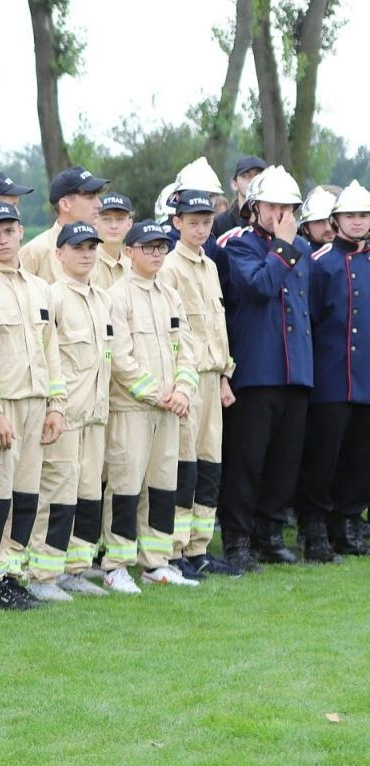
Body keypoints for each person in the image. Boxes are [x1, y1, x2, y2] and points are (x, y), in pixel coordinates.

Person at [0, 202, 66, 608]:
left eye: (10, 231)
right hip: (2, 407)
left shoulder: (39, 288)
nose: (4, 240)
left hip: (36, 404)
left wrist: (57, 404)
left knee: (26, 495)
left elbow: (51, 350)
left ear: (21, 232)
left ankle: (13, 571)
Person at [216, 165, 315, 569]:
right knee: (246, 461)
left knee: (284, 461)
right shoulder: (239, 245)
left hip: (296, 371)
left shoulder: (303, 250)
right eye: (274, 206)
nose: (282, 215)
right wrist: (285, 247)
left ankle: (270, 535)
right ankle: (238, 539)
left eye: (288, 207)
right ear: (255, 207)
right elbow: (258, 287)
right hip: (256, 370)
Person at [99, 221, 200, 592]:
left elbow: (187, 348)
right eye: (148, 247)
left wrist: (184, 390)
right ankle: (116, 565)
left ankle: (156, 562)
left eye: (161, 247)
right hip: (133, 409)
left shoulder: (170, 294)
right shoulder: (115, 297)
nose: (157, 253)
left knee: (162, 487)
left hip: (170, 409)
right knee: (125, 486)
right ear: (129, 251)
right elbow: (120, 359)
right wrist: (158, 393)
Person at [26, 223, 113, 599]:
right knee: (57, 494)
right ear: (59, 254)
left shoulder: (102, 298)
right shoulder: (52, 296)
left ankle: (76, 569)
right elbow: (46, 358)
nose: (87, 254)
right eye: (78, 247)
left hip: (95, 416)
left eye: (92, 247)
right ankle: (43, 574)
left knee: (89, 495)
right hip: (65, 417)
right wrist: (54, 407)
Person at [159, 189, 239, 579]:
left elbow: (216, 325)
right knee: (185, 466)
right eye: (193, 222)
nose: (201, 228)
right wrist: (181, 382)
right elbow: (175, 332)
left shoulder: (209, 265)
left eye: (207, 222)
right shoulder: (170, 267)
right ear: (176, 223)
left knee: (210, 465)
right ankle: (175, 550)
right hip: (188, 380)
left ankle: (199, 547)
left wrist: (225, 374)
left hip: (213, 377)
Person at [299, 181, 370, 559]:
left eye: (363, 215)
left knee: (360, 458)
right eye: (350, 215)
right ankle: (315, 531)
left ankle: (348, 525)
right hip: (330, 378)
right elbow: (307, 320)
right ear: (335, 219)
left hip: (367, 378)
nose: (357, 222)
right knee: (323, 459)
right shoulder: (320, 262)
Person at [20, 166, 111, 283]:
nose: (99, 204)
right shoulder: (35, 252)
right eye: (90, 197)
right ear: (65, 204)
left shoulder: (103, 247)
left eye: (98, 197)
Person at [212, 156, 267, 241]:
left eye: (258, 175)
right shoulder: (220, 223)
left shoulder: (273, 221)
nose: (253, 180)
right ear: (234, 184)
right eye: (245, 176)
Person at [91, 193, 133, 290]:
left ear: (129, 224)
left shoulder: (133, 268)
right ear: (95, 222)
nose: (114, 226)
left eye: (120, 219)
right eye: (106, 219)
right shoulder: (86, 264)